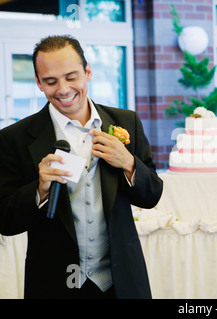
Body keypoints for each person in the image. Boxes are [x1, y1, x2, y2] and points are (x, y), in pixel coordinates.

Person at [0, 35, 163, 299]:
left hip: (121, 283)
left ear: (88, 72)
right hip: (53, 284)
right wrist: (38, 191)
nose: (63, 89)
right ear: (39, 83)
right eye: (51, 81)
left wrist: (129, 163)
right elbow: (5, 221)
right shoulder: (14, 138)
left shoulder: (126, 121)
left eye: (71, 77)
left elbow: (152, 195)